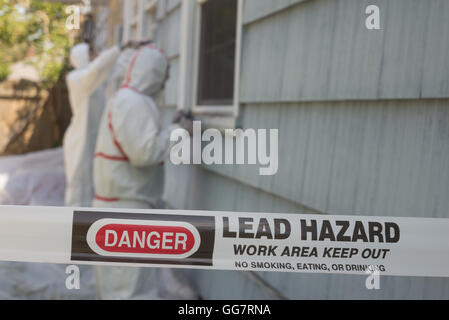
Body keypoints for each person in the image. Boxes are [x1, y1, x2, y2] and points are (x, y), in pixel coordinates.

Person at [92, 44, 195, 299]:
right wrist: (180, 131)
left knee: (117, 287)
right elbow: (144, 153)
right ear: (153, 73)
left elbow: (138, 142)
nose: (166, 81)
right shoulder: (133, 102)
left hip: (120, 210)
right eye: (165, 74)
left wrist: (170, 128)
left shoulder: (128, 99)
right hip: (126, 215)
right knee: (131, 290)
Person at [63, 42, 121, 207]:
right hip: (79, 139)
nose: (96, 55)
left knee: (91, 183)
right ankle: (71, 223)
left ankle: (86, 224)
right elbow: (97, 68)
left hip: (91, 137)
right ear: (83, 57)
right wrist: (118, 48)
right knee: (78, 183)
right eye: (92, 53)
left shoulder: (94, 81)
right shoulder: (76, 78)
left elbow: (111, 72)